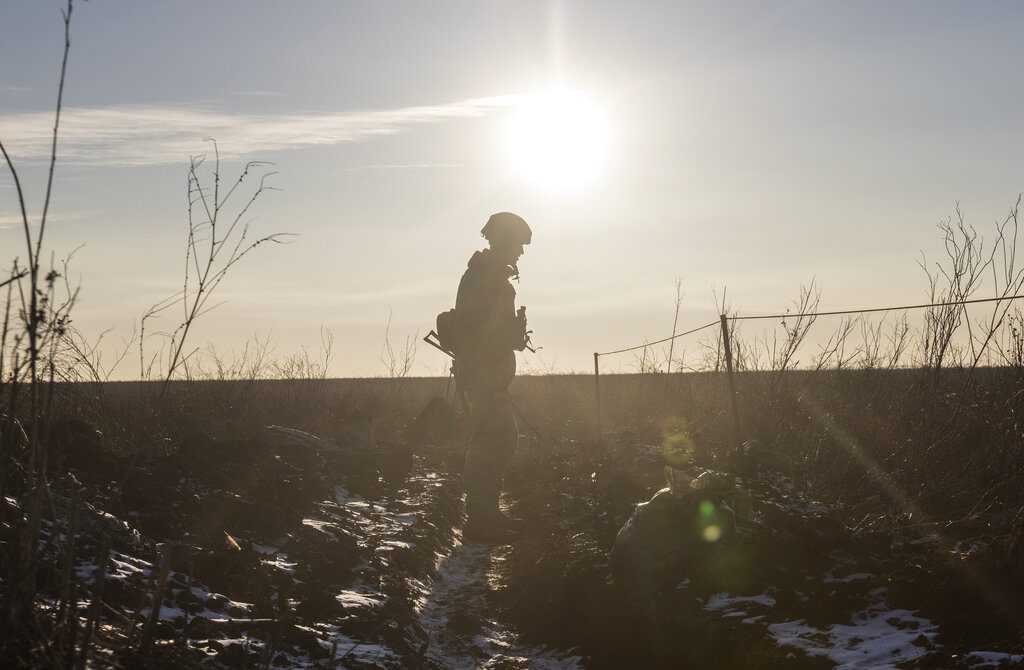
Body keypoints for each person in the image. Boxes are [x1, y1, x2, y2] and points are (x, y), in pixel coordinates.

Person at [454, 212, 532, 544]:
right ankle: (481, 522)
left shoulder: (487, 277)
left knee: (499, 441)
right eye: (518, 245)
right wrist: (507, 335)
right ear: (502, 243)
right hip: (483, 377)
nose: (521, 253)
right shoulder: (484, 279)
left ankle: (487, 516)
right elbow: (481, 331)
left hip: (487, 376)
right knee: (491, 443)